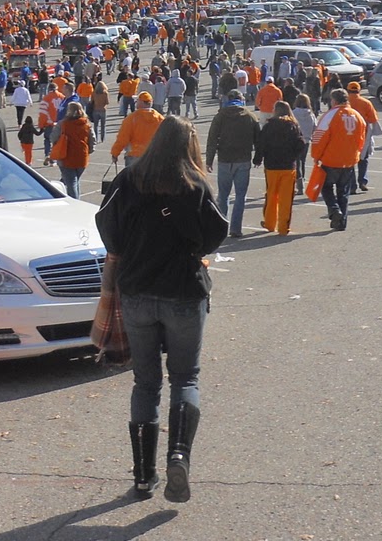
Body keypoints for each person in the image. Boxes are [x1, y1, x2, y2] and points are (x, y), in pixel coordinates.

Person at [95, 115, 228, 503]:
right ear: (190, 145)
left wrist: (131, 246)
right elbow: (214, 235)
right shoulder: (196, 185)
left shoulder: (129, 180)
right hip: (183, 291)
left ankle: (142, 475)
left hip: (137, 291)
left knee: (146, 382)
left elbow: (106, 226)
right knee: (185, 378)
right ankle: (179, 456)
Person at [204, 89, 260, 239]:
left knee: (223, 195)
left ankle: (221, 228)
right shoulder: (250, 116)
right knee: (240, 196)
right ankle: (236, 228)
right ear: (241, 99)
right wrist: (258, 158)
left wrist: (209, 160)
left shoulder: (220, 116)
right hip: (243, 159)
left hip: (225, 159)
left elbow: (212, 139)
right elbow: (258, 139)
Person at [311, 88, 365, 231]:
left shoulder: (330, 115)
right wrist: (356, 155)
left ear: (334, 100)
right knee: (343, 192)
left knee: (326, 187)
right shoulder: (357, 116)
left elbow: (319, 137)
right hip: (349, 160)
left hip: (331, 159)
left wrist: (316, 156)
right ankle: (341, 222)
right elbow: (361, 139)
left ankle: (334, 210)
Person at [255, 101, 306, 235]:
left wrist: (258, 159)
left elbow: (261, 144)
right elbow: (301, 143)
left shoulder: (269, 126)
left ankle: (269, 223)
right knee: (286, 198)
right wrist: (293, 155)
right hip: (288, 166)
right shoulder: (293, 126)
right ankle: (283, 227)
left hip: (271, 166)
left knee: (271, 195)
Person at [111, 91, 163, 167]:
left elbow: (122, 138)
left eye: (137, 100)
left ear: (141, 102)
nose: (136, 102)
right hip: (153, 156)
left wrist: (115, 153)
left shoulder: (132, 118)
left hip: (134, 155)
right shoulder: (160, 119)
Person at [52, 101, 93, 197]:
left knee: (71, 183)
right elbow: (92, 140)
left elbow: (53, 137)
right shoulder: (86, 124)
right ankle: (77, 199)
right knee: (76, 181)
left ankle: (75, 202)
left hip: (66, 156)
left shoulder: (63, 124)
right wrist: (89, 151)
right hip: (82, 156)